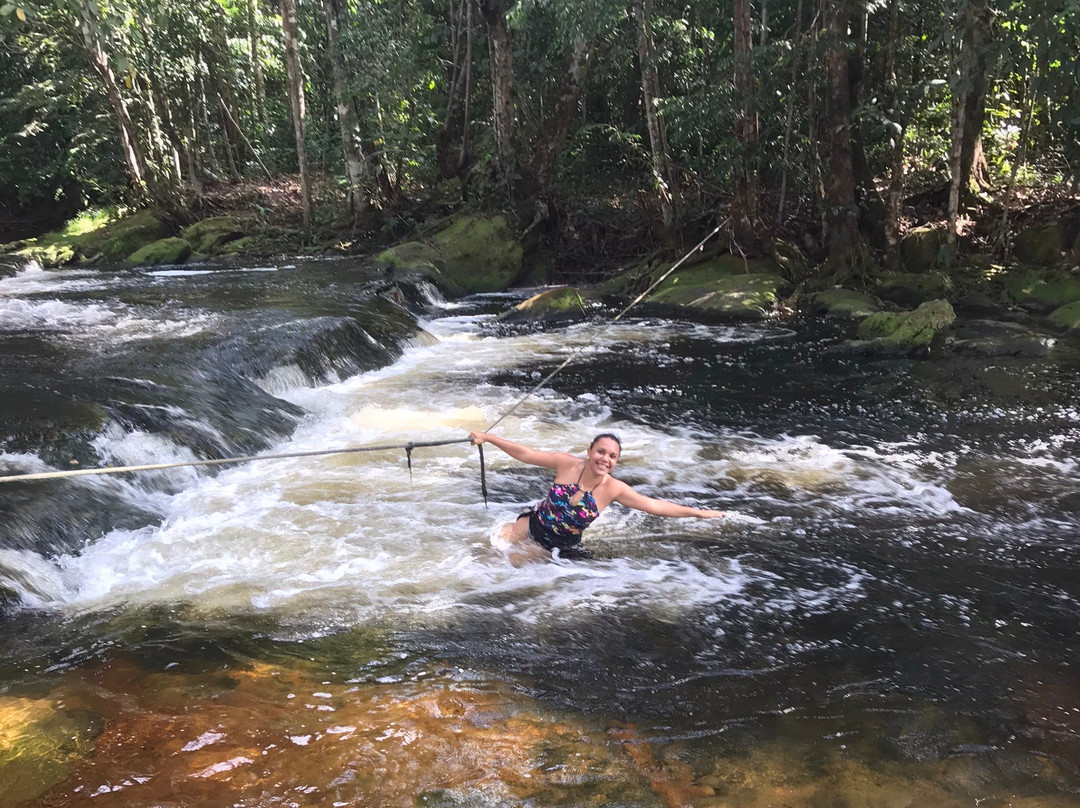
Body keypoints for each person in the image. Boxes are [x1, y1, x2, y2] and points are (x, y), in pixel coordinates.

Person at [468, 430, 725, 561]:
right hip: (529, 524)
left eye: (612, 456)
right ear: (589, 451)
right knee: (481, 557)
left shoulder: (614, 489)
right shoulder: (566, 463)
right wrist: (488, 438)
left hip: (554, 547)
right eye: (601, 452)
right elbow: (525, 454)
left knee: (504, 568)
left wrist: (698, 513)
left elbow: (654, 506)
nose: (605, 459)